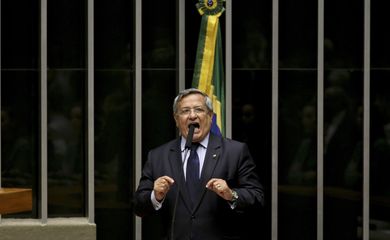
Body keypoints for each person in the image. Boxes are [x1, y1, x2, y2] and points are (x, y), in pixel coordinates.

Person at [133, 88, 264, 240]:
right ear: (176, 119)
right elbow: (138, 207)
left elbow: (257, 198)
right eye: (185, 111)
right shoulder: (158, 156)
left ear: (210, 116)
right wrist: (155, 196)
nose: (192, 115)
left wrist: (231, 194)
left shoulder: (235, 151)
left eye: (199, 110)